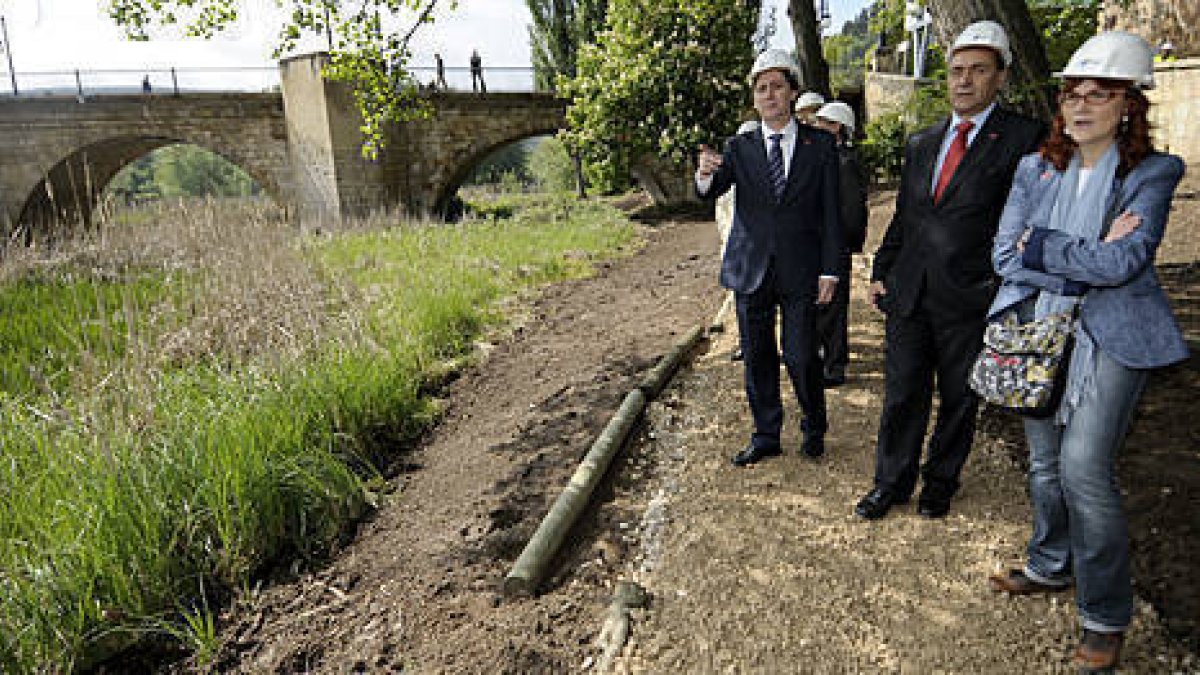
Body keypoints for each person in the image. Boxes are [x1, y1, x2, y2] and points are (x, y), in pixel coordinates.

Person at [984, 32, 1186, 672]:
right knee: (1044, 464)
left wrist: (1040, 248)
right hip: (1037, 332)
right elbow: (1002, 255)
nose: (1081, 106)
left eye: (1099, 95)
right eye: (1073, 94)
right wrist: (1079, 251)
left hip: (1114, 335)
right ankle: (1049, 564)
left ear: (1129, 104)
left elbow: (1125, 263)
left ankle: (1105, 616)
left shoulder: (1153, 172)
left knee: (1082, 469)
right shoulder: (1033, 168)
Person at [854, 20, 1044, 519]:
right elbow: (906, 216)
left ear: (1000, 77)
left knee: (960, 398)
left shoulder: (1025, 138)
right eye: (957, 70)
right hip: (910, 293)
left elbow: (1031, 217)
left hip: (973, 295)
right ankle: (890, 483)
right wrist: (882, 269)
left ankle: (940, 481)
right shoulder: (922, 142)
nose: (963, 80)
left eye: (977, 71)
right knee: (901, 394)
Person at [695, 48, 842, 466]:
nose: (769, 94)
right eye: (761, 88)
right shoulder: (738, 147)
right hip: (750, 269)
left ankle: (814, 425)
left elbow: (832, 212)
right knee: (757, 357)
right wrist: (704, 173)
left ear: (793, 92)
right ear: (754, 98)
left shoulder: (820, 146)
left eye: (777, 86)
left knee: (799, 355)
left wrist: (832, 269)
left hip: (802, 270)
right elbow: (712, 189)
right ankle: (765, 435)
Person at [811, 101, 867, 387]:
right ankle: (829, 360)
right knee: (824, 306)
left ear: (838, 128)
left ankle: (834, 366)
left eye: (824, 122)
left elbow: (852, 211)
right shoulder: (829, 157)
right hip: (824, 245)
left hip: (834, 246)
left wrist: (845, 244)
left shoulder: (844, 162)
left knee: (832, 307)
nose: (817, 126)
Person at [714, 119, 762, 362]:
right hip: (741, 252)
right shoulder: (730, 177)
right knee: (743, 305)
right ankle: (746, 345)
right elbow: (722, 215)